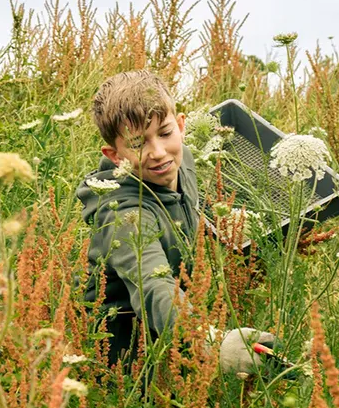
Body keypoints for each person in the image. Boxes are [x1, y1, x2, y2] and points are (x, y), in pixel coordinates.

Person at [75, 70, 275, 374]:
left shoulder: (183, 161)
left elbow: (192, 208)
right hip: (121, 353)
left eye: (165, 133)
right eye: (138, 143)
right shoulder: (124, 214)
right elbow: (153, 285)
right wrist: (210, 341)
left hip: (173, 330)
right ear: (115, 156)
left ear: (180, 125)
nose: (158, 153)